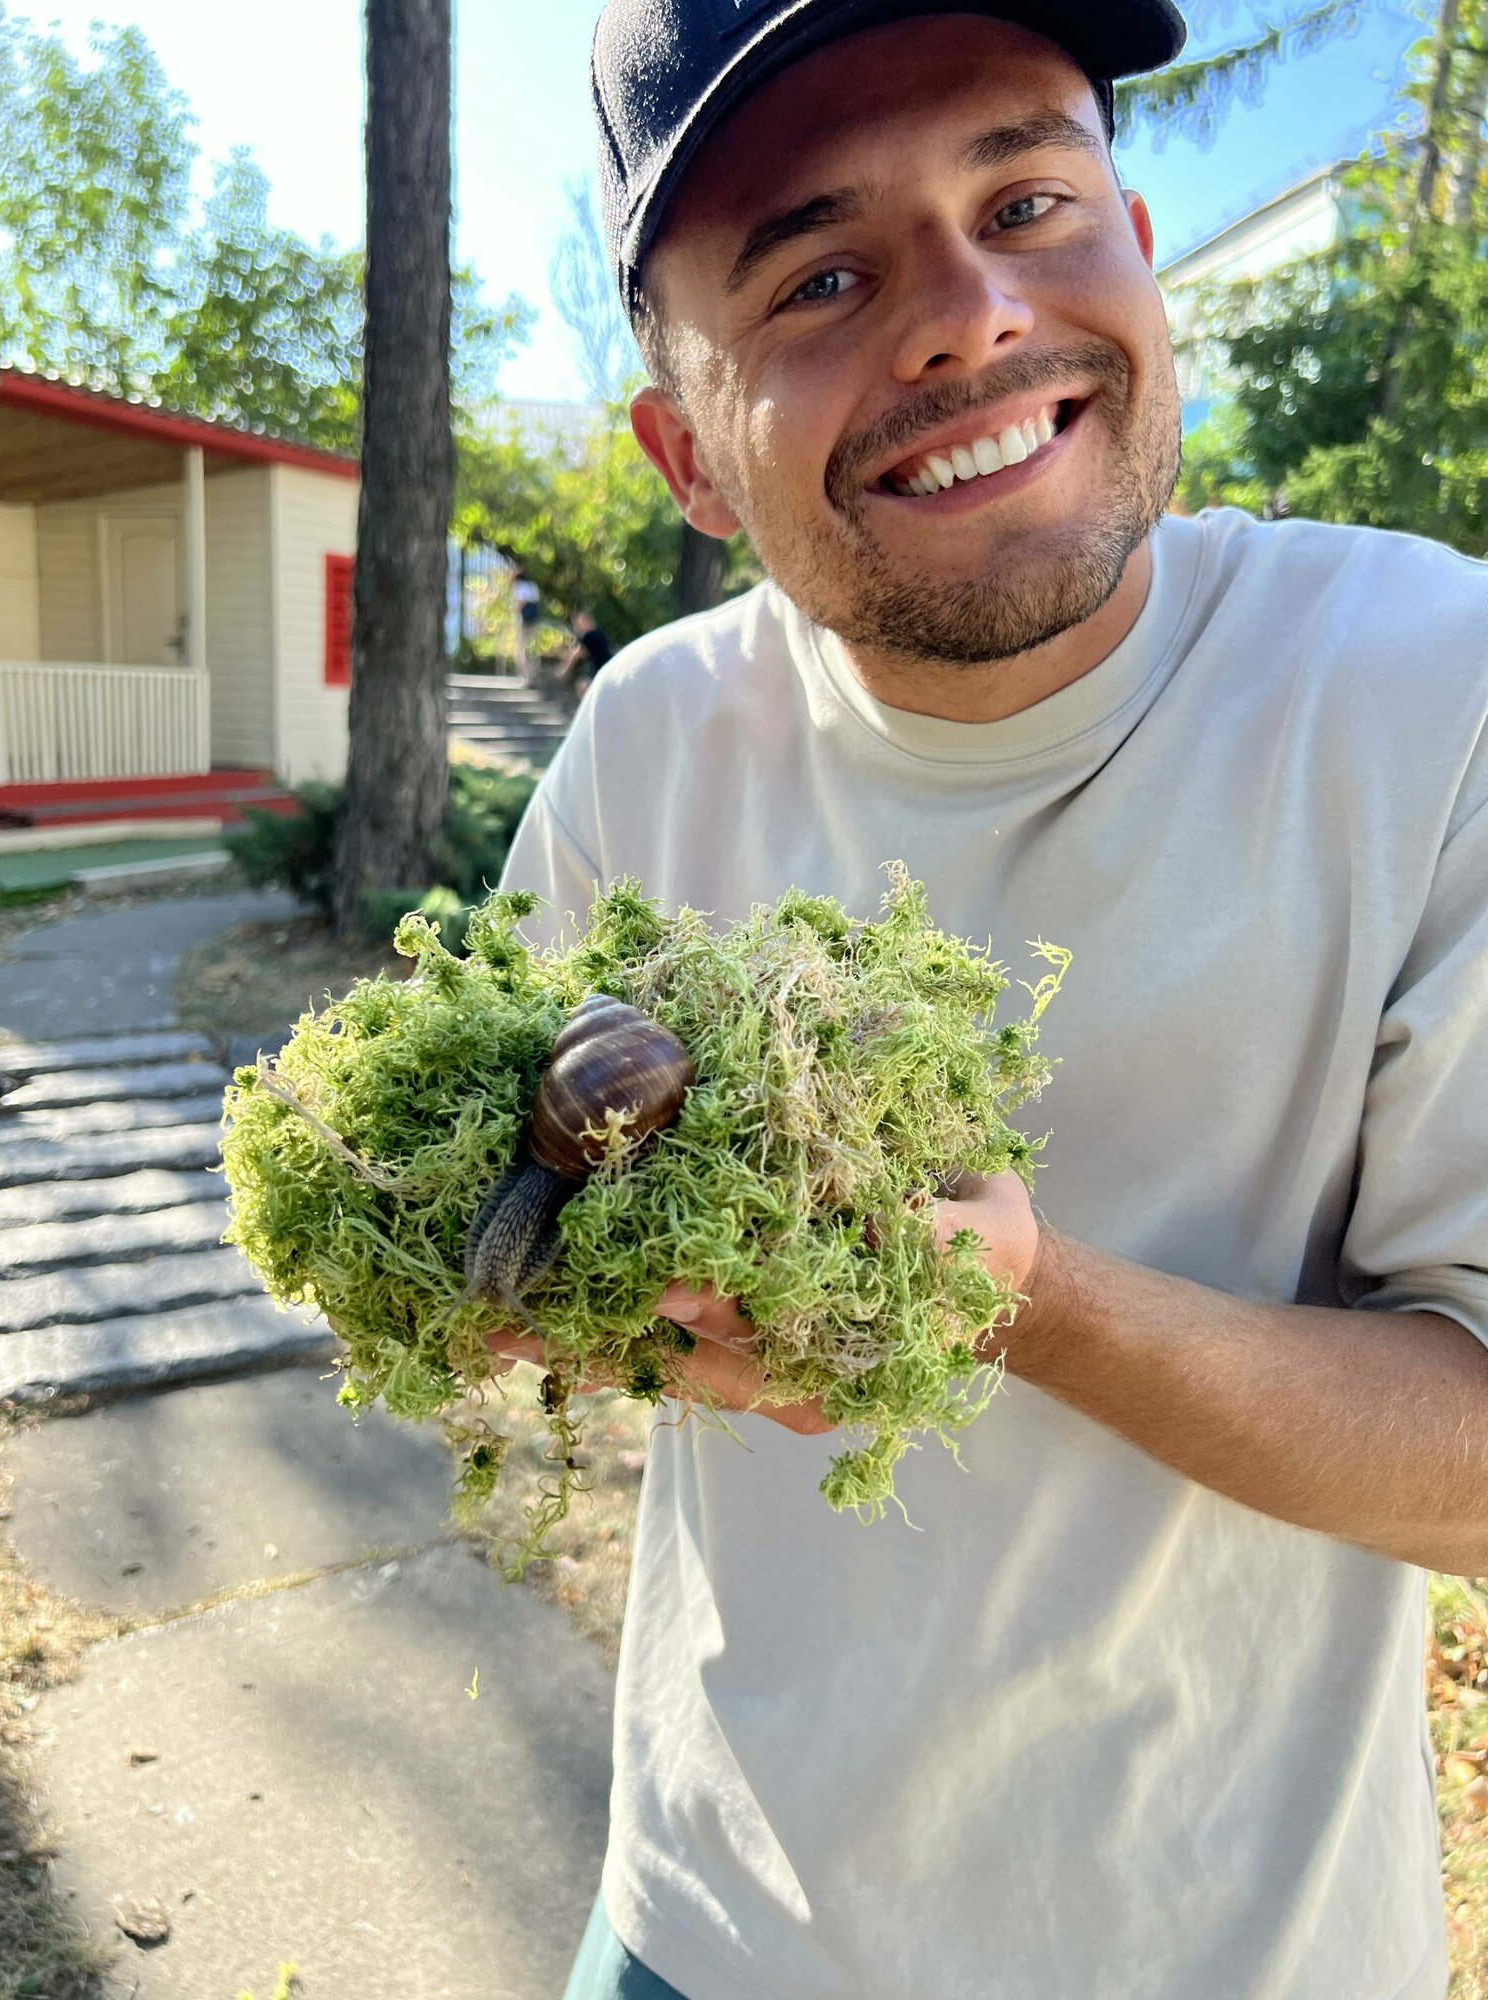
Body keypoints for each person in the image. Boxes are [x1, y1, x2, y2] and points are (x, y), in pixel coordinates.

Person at [491, 4, 1488, 1996]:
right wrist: (582, 1298)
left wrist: (1027, 1300)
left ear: (1134, 233)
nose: (964, 317)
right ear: (687, 451)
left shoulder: (1423, 690)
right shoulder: (651, 735)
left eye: (1025, 199)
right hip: (700, 1917)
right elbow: (514, 1216)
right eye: (825, 275)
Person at [557, 609, 617, 704]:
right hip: (609, 672)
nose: (576, 627)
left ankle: (590, 711)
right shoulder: (599, 634)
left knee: (582, 685)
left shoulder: (590, 635)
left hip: (601, 674)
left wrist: (563, 671)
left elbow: (576, 653)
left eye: (578, 623)